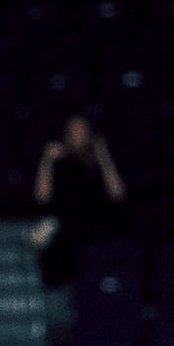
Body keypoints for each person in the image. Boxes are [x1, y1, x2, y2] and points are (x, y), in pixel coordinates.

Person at [31, 114, 124, 279]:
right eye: (73, 130)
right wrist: (46, 161)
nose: (77, 134)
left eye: (82, 130)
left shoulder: (100, 162)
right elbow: (42, 197)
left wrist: (104, 157)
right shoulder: (56, 162)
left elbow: (117, 193)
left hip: (96, 230)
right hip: (63, 232)